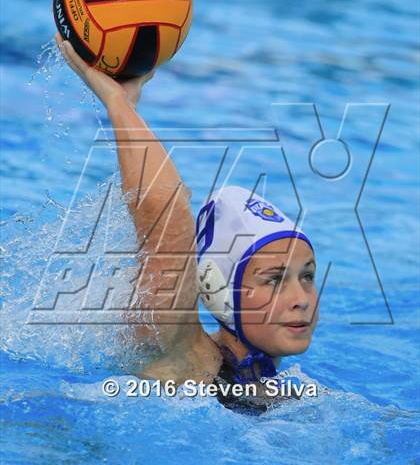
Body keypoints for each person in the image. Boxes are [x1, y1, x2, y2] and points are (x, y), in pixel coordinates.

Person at [56, 35, 319, 410]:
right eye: (275, 279)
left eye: (307, 276)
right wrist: (119, 104)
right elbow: (166, 219)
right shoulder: (183, 360)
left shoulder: (298, 394)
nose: (302, 300)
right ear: (218, 287)